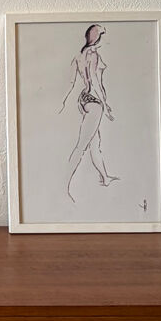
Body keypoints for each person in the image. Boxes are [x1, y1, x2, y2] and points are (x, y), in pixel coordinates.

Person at [60, 23, 118, 201]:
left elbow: (71, 82)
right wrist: (105, 105)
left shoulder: (79, 56)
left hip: (84, 99)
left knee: (94, 143)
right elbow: (95, 80)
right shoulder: (93, 55)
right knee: (82, 146)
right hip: (95, 102)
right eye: (103, 35)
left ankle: (105, 177)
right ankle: (63, 187)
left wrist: (64, 102)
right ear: (98, 38)